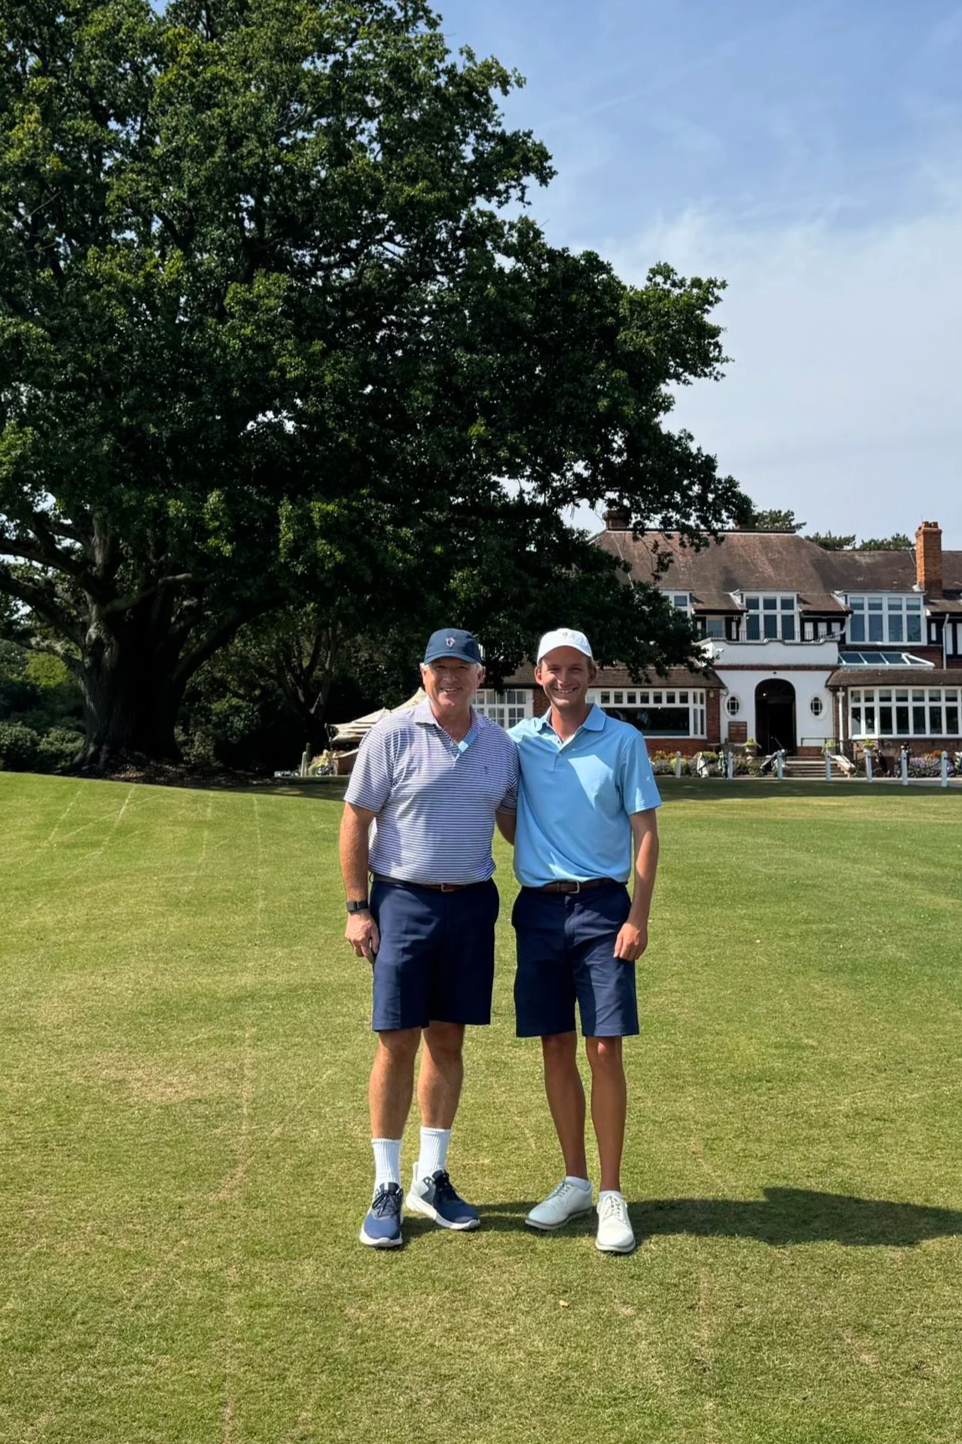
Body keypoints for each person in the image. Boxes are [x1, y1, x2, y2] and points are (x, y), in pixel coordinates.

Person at [340, 628, 518, 1248]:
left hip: (471, 905)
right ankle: (385, 1184)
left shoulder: (500, 745)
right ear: (424, 674)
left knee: (448, 1039)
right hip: (403, 902)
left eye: (461, 668)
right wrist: (358, 907)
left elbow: (517, 822)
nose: (450, 678)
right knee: (396, 1042)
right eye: (439, 668)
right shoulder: (392, 733)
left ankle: (430, 1177)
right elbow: (356, 820)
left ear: (480, 677)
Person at [504, 628, 660, 1254]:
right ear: (538, 676)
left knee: (603, 1049)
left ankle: (612, 1194)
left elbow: (645, 835)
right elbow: (505, 809)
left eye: (575, 669)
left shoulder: (623, 741)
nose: (564, 679)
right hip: (537, 910)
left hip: (603, 908)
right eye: (553, 670)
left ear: (592, 673)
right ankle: (574, 1180)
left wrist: (637, 918)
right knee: (554, 1044)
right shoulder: (517, 742)